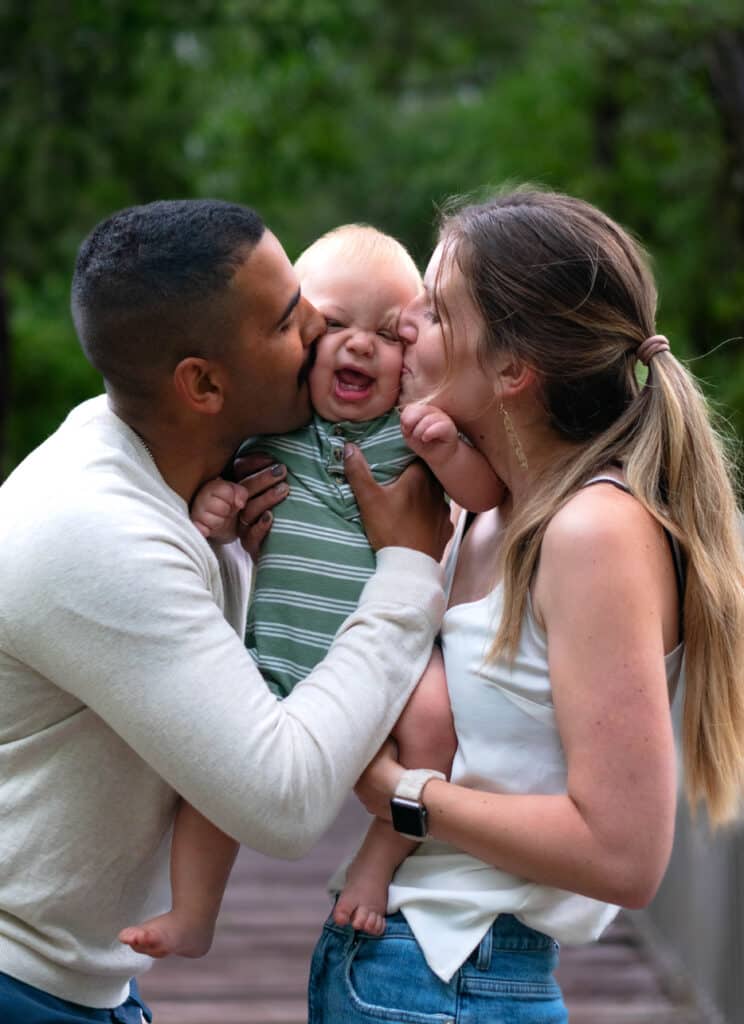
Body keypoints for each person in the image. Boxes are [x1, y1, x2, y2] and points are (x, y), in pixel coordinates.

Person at [0, 199, 454, 1024]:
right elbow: (280, 800)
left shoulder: (187, 475)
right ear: (203, 383)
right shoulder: (92, 530)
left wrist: (242, 553)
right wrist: (407, 567)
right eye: (290, 319)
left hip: (76, 982)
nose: (320, 324)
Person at [308, 187, 744, 1024]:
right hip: (391, 963)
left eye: (433, 311)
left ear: (511, 369)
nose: (404, 326)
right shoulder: (479, 505)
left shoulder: (593, 531)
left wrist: (405, 794)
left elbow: (623, 856)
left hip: (456, 981)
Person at [119, 223, 506, 958]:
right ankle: (194, 911)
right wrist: (216, 512)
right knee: (217, 769)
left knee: (435, 724)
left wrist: (446, 449)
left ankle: (377, 859)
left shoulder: (411, 431)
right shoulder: (272, 431)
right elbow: (221, 505)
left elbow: (484, 495)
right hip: (279, 652)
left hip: (393, 664)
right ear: (298, 338)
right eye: (332, 326)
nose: (360, 345)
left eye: (391, 333)